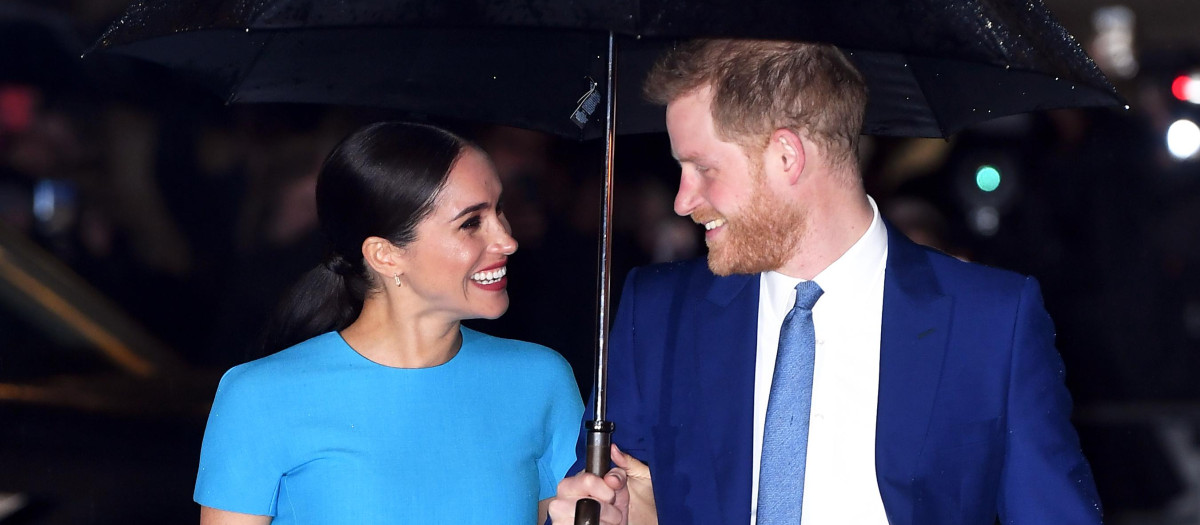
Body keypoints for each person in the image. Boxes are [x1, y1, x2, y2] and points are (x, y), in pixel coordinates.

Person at [550, 39, 1102, 525]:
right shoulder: (657, 313)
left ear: (787, 155)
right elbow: (599, 500)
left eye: (704, 169)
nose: (683, 200)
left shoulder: (991, 320)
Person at [194, 122, 583, 524]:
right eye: (471, 223)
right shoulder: (259, 396)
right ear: (385, 255)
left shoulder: (541, 380)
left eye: (498, 209)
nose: (506, 239)